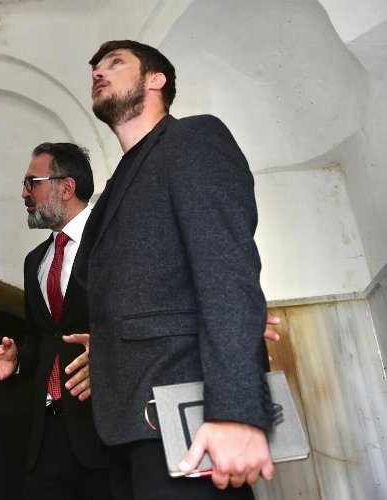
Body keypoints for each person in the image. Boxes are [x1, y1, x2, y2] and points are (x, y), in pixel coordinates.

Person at [73, 40, 275, 499]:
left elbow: (227, 269)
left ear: (156, 80)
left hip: (190, 417)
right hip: (127, 426)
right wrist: (108, 343)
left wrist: (236, 411)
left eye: (115, 62)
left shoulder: (193, 139)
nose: (98, 72)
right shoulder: (117, 184)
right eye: (95, 68)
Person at [0, 142, 111, 500]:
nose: (24, 193)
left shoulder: (112, 242)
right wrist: (17, 360)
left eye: (32, 182)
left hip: (106, 436)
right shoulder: (36, 261)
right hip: (47, 437)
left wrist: (108, 353)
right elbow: (44, 341)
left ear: (66, 187)